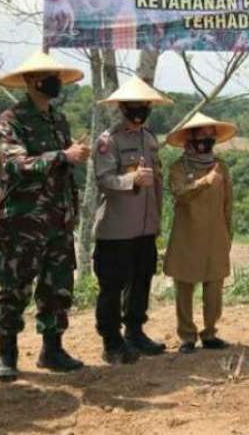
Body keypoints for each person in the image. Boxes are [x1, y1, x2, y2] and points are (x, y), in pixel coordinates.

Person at [0, 51, 90, 382]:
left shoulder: (58, 119)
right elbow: (15, 165)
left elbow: (63, 165)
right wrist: (63, 155)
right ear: (34, 81)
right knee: (14, 287)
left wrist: (72, 157)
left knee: (57, 287)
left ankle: (52, 349)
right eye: (52, 78)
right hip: (21, 222)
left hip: (58, 219)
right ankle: (7, 353)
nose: (57, 83)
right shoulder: (11, 120)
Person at [92, 76, 173, 364]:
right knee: (112, 287)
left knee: (142, 280)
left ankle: (135, 332)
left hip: (146, 226)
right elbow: (104, 180)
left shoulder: (149, 138)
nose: (140, 110)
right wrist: (132, 180)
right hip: (117, 228)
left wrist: (158, 219)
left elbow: (158, 183)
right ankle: (111, 342)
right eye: (134, 105)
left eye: (145, 105)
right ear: (123, 107)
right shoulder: (107, 141)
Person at [164, 113, 236, 353]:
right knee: (184, 288)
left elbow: (228, 203)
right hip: (186, 236)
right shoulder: (177, 167)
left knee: (214, 289)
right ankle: (187, 336)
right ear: (189, 139)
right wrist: (205, 181)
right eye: (201, 135)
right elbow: (180, 192)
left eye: (210, 136)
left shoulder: (221, 167)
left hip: (216, 236)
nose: (206, 140)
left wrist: (228, 234)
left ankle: (210, 333)